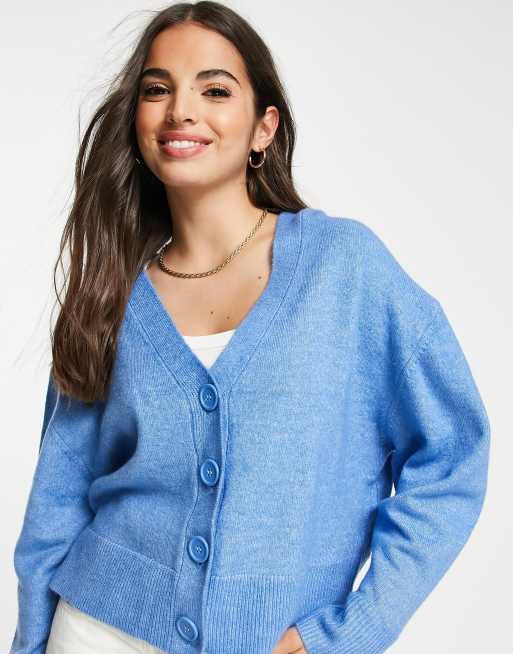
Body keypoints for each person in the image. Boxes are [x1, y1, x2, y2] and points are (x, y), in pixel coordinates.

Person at [9, 2, 491, 654]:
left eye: (214, 90)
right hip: (94, 630)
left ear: (264, 127)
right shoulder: (111, 294)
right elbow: (58, 500)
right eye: (157, 90)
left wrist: (353, 629)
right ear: (136, 120)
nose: (181, 110)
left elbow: (452, 458)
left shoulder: (343, 269)